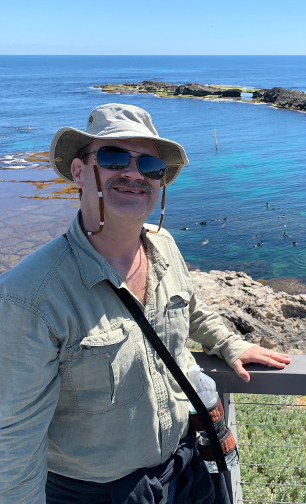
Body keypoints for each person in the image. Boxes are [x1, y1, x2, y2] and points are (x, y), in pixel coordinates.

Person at [0, 104, 291, 504]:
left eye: (150, 163)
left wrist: (229, 343)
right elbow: (14, 440)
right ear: (79, 172)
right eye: (114, 156)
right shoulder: (29, 296)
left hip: (184, 469)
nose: (134, 173)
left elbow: (188, 307)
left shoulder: (164, 247)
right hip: (95, 492)